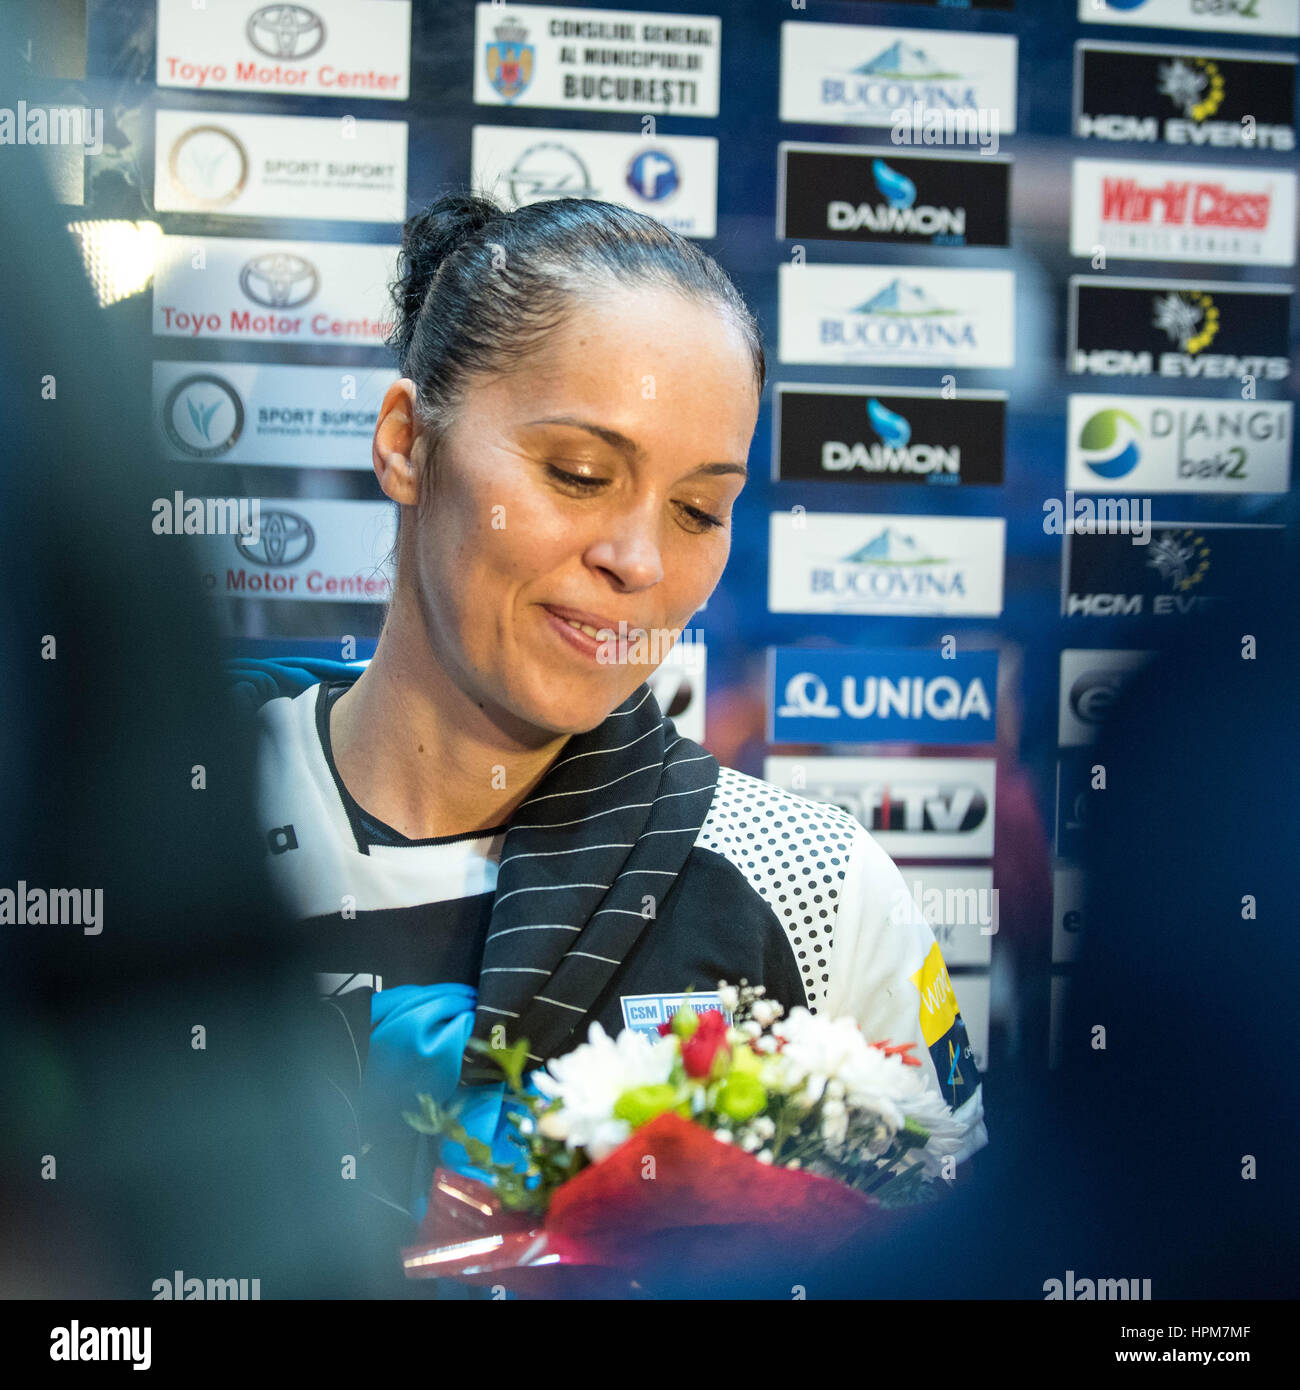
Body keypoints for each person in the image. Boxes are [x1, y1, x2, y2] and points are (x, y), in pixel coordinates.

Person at [233, 191, 988, 1297]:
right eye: (580, 474)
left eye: (696, 510)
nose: (638, 559)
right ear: (406, 441)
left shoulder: (816, 887)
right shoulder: (150, 833)